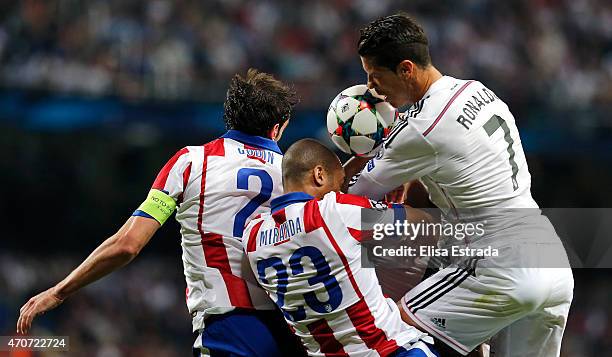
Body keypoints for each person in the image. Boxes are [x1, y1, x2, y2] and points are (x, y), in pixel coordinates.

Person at [17, 68, 306, 357]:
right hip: (296, 331)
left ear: (229, 115)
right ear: (277, 128)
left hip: (228, 327)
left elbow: (128, 244)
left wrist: (59, 291)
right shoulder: (296, 177)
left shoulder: (191, 162)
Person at [344, 13, 574, 357]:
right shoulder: (479, 90)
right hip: (552, 260)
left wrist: (368, 146)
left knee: (397, 332)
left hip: (499, 262)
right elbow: (442, 179)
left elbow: (352, 195)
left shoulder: (422, 127)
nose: (372, 88)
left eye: (375, 77)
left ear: (406, 69)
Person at [243, 138, 438, 357]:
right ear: (319, 175)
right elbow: (424, 223)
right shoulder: (335, 211)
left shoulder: (252, 235)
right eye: (342, 182)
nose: (342, 190)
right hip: (390, 350)